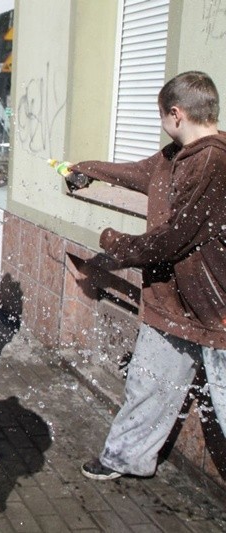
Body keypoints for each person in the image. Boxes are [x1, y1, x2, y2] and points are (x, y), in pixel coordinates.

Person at [68, 71, 226, 481]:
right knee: (148, 386)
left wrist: (114, 242)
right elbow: (139, 172)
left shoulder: (214, 161)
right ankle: (126, 458)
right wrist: (86, 169)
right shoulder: (175, 156)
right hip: (171, 301)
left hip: (216, 310)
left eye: (161, 116)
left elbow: (174, 238)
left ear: (176, 114)